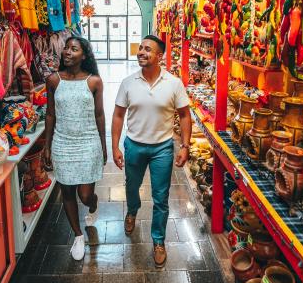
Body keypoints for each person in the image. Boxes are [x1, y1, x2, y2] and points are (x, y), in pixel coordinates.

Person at [111, 34, 192, 267]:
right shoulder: (128, 82)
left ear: (159, 56)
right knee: (132, 186)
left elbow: (184, 115)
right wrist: (115, 146)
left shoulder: (173, 83)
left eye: (148, 49)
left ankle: (158, 240)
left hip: (162, 149)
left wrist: (185, 145)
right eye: (140, 48)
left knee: (161, 197)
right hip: (134, 145)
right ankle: (132, 211)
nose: (141, 52)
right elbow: (118, 115)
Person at [43, 36, 107, 261]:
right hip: (62, 143)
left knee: (85, 194)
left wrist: (104, 145)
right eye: (66, 48)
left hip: (88, 142)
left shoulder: (94, 81)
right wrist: (47, 146)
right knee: (68, 192)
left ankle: (93, 203)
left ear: (84, 55)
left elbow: (99, 115)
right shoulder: (53, 80)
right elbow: (50, 115)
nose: (67, 52)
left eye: (74, 49)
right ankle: (78, 235)